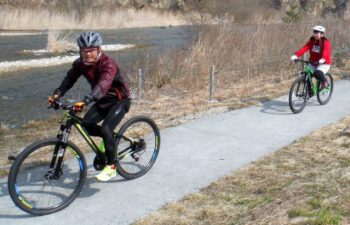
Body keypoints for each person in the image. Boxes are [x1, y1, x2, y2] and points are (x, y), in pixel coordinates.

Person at [49, 31, 130, 181]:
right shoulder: (80, 64)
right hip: (102, 101)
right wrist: (58, 93)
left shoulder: (108, 64)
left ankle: (111, 167)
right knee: (86, 126)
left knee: (106, 129)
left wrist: (88, 99)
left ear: (98, 49)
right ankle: (109, 140)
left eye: (91, 50)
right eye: (84, 51)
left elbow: (104, 83)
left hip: (119, 101)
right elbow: (70, 78)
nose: (88, 54)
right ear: (80, 51)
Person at [291, 25, 331, 92]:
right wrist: (296, 55)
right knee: (306, 75)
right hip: (313, 62)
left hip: (324, 63)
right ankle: (309, 92)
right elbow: (304, 48)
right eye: (314, 32)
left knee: (317, 73)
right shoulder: (312, 41)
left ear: (322, 34)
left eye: (317, 33)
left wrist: (323, 58)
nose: (315, 34)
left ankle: (325, 82)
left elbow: (326, 51)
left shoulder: (325, 42)